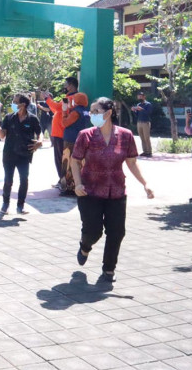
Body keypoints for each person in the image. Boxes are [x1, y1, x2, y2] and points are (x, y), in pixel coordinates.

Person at [70, 97, 154, 283]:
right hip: (89, 191)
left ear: (108, 113)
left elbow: (131, 162)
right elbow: (75, 160)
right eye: (91, 112)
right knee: (93, 231)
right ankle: (85, 246)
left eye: (96, 111)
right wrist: (77, 183)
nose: (92, 115)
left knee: (117, 232)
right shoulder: (86, 135)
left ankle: (109, 269)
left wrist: (145, 184)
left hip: (116, 191)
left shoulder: (125, 135)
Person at [0, 94, 42, 214]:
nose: (13, 104)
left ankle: (20, 206)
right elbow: (2, 135)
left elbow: (39, 133)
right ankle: (5, 204)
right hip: (9, 154)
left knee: (24, 179)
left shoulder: (32, 119)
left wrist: (39, 142)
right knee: (8, 180)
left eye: (16, 102)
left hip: (25, 154)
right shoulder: (9, 118)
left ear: (23, 104)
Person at [61, 86, 90, 196]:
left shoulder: (75, 112)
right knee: (79, 164)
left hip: (71, 141)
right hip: (81, 139)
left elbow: (65, 123)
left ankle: (69, 188)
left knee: (68, 163)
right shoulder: (86, 111)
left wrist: (64, 111)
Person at [40, 92, 65, 188]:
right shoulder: (65, 101)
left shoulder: (69, 99)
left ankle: (63, 181)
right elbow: (55, 109)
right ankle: (61, 180)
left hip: (61, 136)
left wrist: (47, 99)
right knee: (59, 160)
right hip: (58, 135)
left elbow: (57, 108)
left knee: (60, 160)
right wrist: (49, 100)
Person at [131, 91, 154, 157]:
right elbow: (137, 115)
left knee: (146, 137)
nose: (139, 97)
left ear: (144, 97)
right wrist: (134, 110)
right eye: (138, 96)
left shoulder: (148, 104)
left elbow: (149, 113)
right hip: (139, 122)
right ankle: (145, 151)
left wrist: (142, 109)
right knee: (142, 138)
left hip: (146, 122)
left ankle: (149, 152)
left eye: (141, 96)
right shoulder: (138, 104)